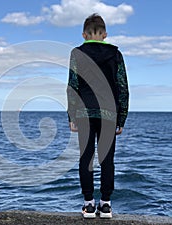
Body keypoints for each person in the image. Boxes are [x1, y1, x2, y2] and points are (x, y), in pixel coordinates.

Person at [67, 13, 129, 219]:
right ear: (105, 34)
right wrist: (122, 118)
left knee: (86, 158)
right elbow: (122, 87)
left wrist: (71, 116)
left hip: (84, 112)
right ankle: (106, 205)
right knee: (107, 159)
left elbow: (72, 86)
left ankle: (88, 205)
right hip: (109, 113)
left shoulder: (77, 53)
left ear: (84, 34)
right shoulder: (116, 54)